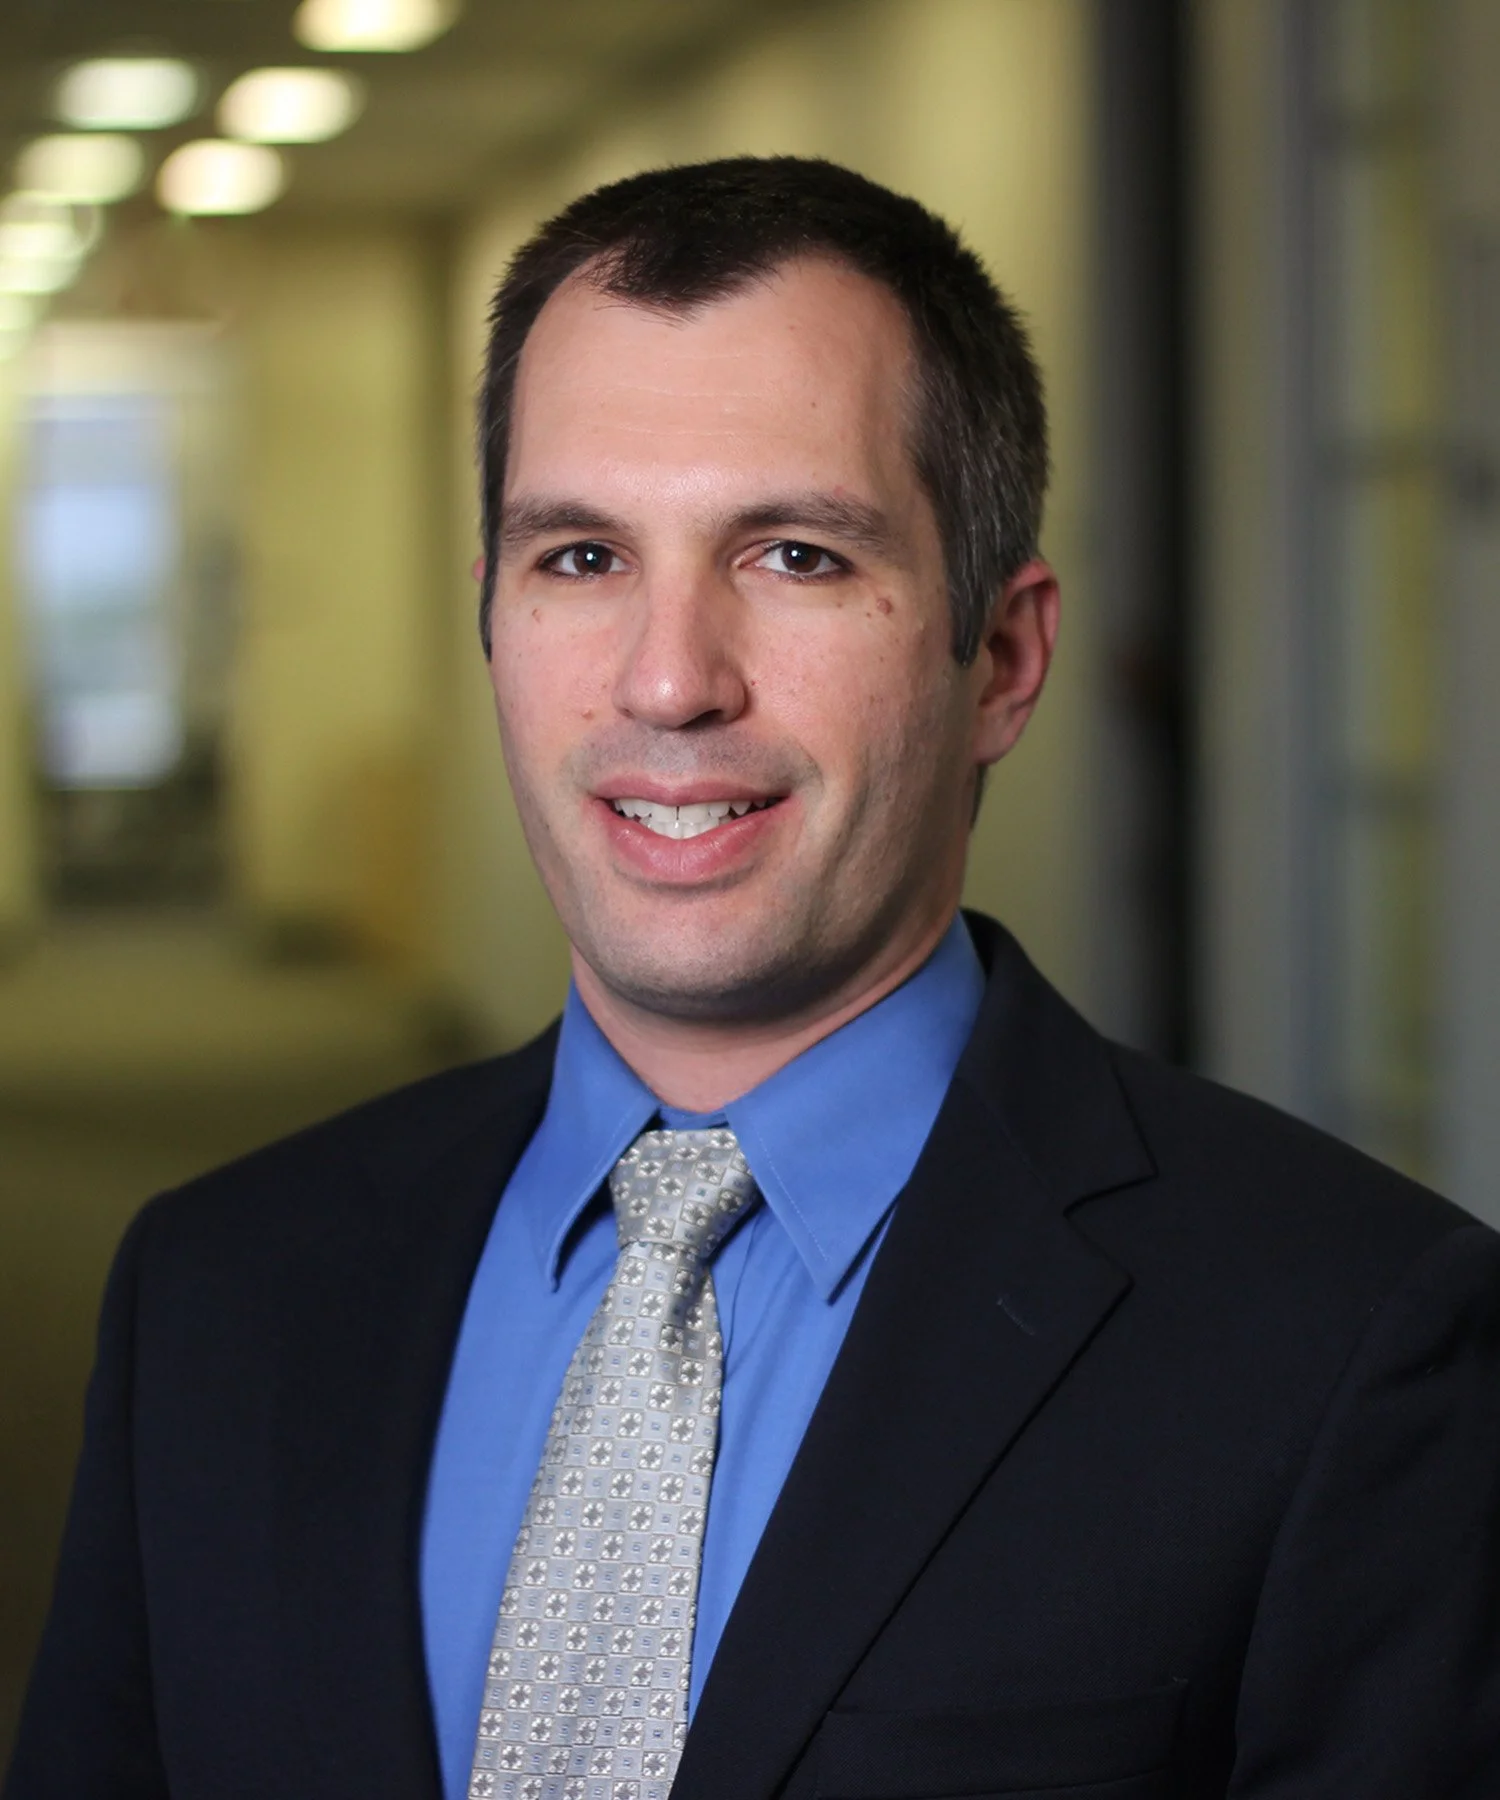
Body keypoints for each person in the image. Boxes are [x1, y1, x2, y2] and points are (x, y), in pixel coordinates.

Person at [7, 156, 1499, 1800]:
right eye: (579, 557)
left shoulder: (1349, 1346)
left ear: (1000, 658)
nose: (668, 679)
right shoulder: (216, 1291)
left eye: (792, 554)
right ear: (492, 619)